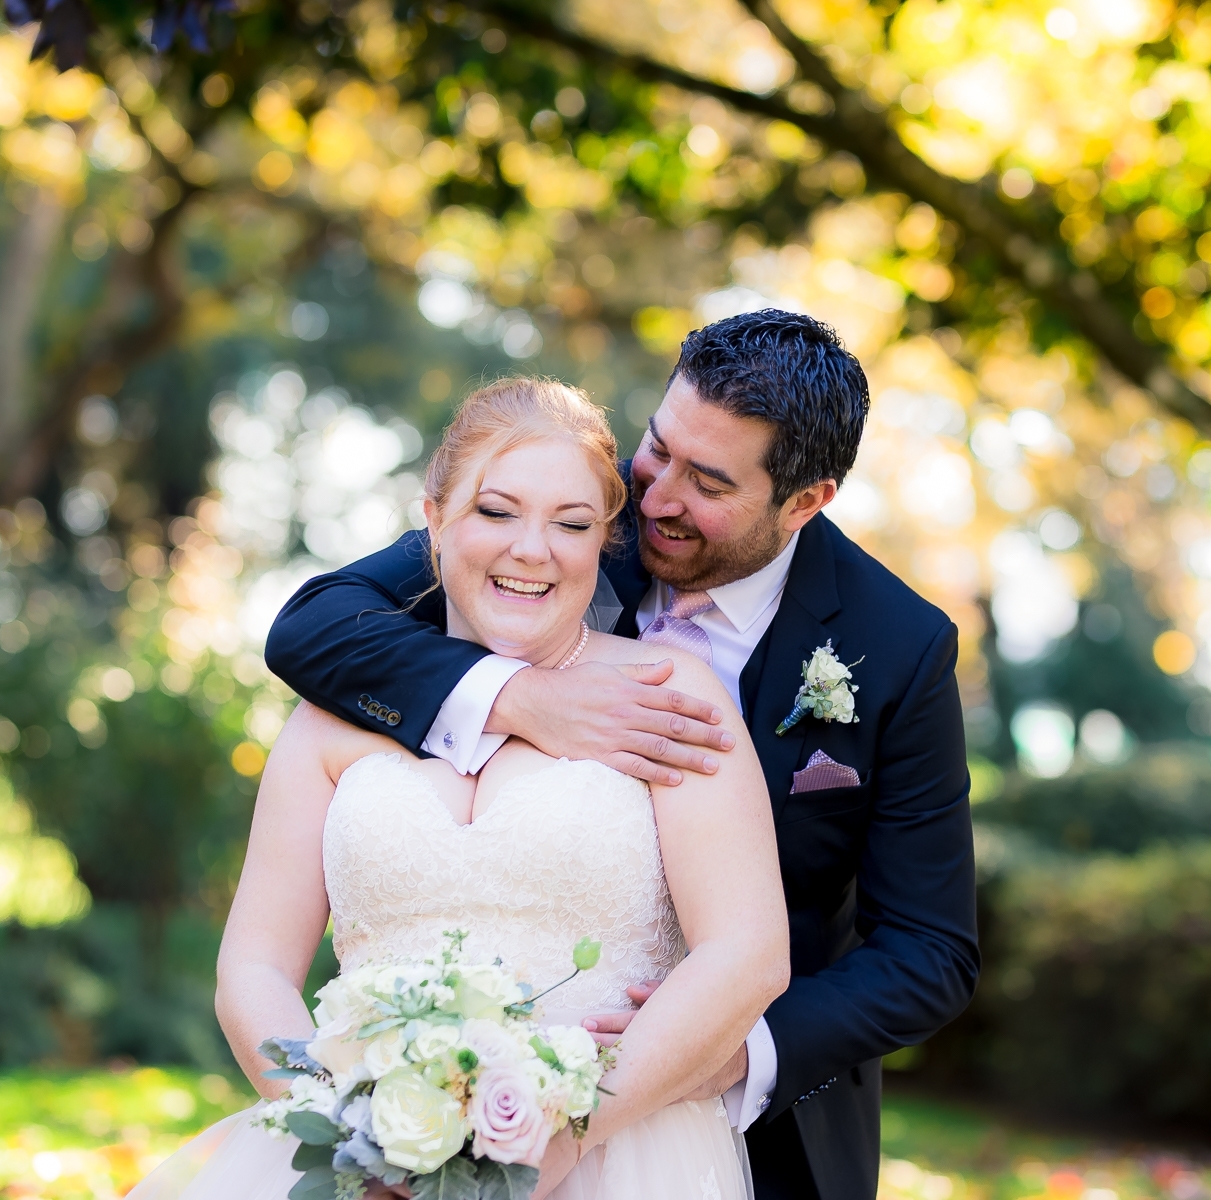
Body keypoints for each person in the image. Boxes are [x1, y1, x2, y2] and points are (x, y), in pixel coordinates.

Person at [266, 310, 980, 1200]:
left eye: (707, 482)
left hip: (758, 1126)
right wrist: (520, 698)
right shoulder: (566, 524)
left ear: (804, 502)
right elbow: (312, 626)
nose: (656, 496)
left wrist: (736, 1052)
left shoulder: (898, 648)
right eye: (659, 447)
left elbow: (929, 950)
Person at [131, 378, 791, 1200]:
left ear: (605, 541)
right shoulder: (329, 719)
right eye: (496, 511)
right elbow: (255, 967)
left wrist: (568, 1134)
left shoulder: (669, 696)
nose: (532, 548)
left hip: (616, 1161)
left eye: (573, 524)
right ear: (435, 520)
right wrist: (345, 1136)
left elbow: (748, 954)